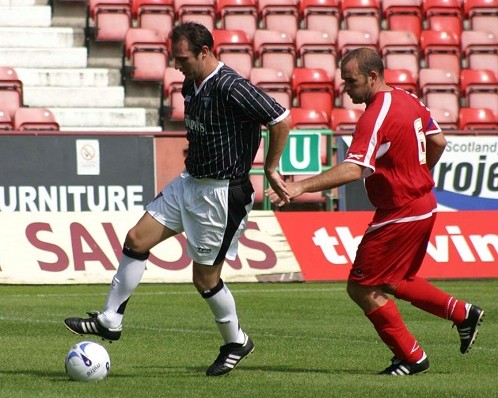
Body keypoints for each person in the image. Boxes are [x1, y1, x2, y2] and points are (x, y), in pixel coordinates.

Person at [64, 21, 291, 377]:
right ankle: (110, 319)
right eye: (174, 58)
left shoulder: (231, 85)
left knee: (204, 278)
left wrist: (272, 168)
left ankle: (236, 342)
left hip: (222, 194)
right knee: (137, 238)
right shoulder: (191, 82)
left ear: (205, 52)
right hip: (190, 182)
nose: (176, 65)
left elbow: (280, 118)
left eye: (182, 58)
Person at [267, 48, 485, 376]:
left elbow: (355, 168)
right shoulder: (408, 98)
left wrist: (300, 187)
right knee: (395, 280)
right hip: (423, 204)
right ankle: (462, 313)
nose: (346, 88)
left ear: (372, 76)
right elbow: (438, 141)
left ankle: (412, 357)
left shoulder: (374, 115)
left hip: (400, 210)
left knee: (361, 287)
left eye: (351, 81)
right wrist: (420, 173)